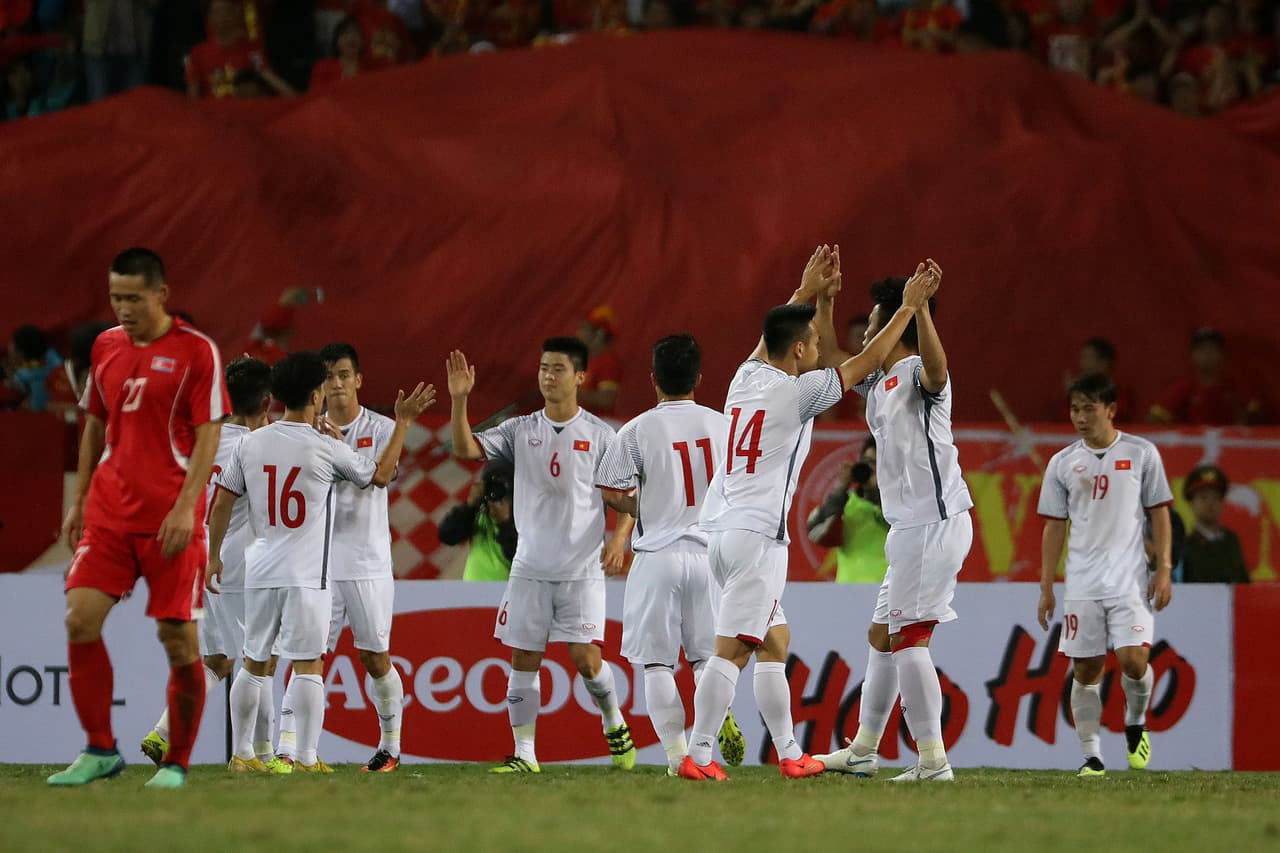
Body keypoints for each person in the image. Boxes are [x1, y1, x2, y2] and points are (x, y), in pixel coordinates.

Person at [679, 246, 939, 782]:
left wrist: (807, 291)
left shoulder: (743, 376)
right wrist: (908, 308)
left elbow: (775, 332)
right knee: (731, 650)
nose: (821, 347)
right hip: (757, 538)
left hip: (722, 529)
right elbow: (864, 363)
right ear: (797, 350)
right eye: (814, 342)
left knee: (775, 640)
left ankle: (789, 751)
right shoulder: (798, 394)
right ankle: (698, 755)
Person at [51, 248, 229, 789]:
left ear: (161, 295)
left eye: (133, 297)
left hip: (170, 522)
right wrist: (79, 500)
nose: (123, 308)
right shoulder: (106, 346)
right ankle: (100, 749)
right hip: (108, 514)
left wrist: (185, 507)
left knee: (179, 642)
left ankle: (174, 762)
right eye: (116, 297)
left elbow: (208, 434)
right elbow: (93, 425)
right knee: (79, 620)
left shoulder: (197, 353)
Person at [208, 352, 433, 773]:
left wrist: (213, 557)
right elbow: (380, 477)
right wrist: (403, 423)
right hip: (307, 574)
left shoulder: (250, 442)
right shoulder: (325, 446)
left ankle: (241, 756)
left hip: (259, 570)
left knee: (254, 661)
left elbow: (222, 503)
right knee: (308, 663)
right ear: (316, 394)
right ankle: (306, 757)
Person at [447, 338, 638, 774]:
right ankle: (525, 754)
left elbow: (625, 496)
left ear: (580, 377)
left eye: (558, 369)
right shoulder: (520, 430)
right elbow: (464, 450)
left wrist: (619, 539)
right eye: (543, 368)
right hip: (530, 567)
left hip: (581, 569)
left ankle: (614, 722)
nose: (548, 376)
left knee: (587, 661)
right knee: (523, 659)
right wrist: (460, 402)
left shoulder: (601, 435)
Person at [814, 262, 970, 783]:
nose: (867, 336)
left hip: (934, 521)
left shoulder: (921, 375)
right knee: (882, 634)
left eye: (876, 323)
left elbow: (940, 370)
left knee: (908, 638)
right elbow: (834, 359)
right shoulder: (877, 380)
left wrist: (920, 309)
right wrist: (827, 301)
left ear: (896, 326)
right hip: (909, 529)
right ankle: (863, 750)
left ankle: (932, 759)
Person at [594, 333, 747, 775]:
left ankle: (680, 758)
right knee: (707, 660)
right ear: (699, 377)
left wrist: (646, 506)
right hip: (711, 556)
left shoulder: (637, 429)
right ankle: (710, 739)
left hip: (658, 555)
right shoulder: (724, 426)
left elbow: (611, 489)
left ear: (653, 379)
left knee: (657, 663)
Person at [140, 357, 278, 770]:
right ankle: (258, 755)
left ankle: (161, 733)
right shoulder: (255, 448)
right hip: (236, 561)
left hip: (196, 559)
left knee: (218, 661)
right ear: (267, 401)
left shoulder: (200, 443)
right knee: (261, 659)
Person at [1035, 373, 1174, 777]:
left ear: (1110, 410)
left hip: (1130, 580)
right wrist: (1046, 586)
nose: (1080, 417)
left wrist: (1163, 568)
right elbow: (1054, 526)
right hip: (1082, 581)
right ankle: (1091, 756)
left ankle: (1135, 721)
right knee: (1087, 670)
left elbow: (1160, 512)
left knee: (1133, 661)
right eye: (1075, 408)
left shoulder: (1142, 453)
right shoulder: (1062, 463)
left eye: (1089, 408)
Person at [317, 342, 410, 772]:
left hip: (367, 561)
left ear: (358, 380)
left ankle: (389, 748)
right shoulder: (307, 429)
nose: (335, 384)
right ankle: (295, 751)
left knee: (374, 657)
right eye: (328, 377)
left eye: (342, 375)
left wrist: (342, 450)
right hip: (317, 563)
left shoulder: (385, 426)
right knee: (309, 657)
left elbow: (381, 476)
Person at [806, 436, 889, 583]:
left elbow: (906, 534)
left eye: (878, 464)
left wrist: (875, 494)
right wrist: (840, 489)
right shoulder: (845, 502)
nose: (872, 469)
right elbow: (816, 534)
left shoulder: (900, 506)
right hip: (848, 593)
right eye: (868, 462)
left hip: (888, 593)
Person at [185, 0, 295, 98]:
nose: (221, 18)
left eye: (227, 12)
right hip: (211, 117)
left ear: (237, 13)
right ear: (208, 18)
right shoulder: (198, 53)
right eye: (216, 13)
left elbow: (284, 91)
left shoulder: (252, 53)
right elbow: (192, 100)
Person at [1149, 328, 1260, 425]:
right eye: (1202, 350)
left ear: (1222, 354)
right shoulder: (1186, 387)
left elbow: (1254, 413)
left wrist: (1240, 426)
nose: (1208, 354)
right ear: (1192, 355)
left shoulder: (1233, 386)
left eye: (1212, 349)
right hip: (1195, 446)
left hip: (1228, 445)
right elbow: (1155, 416)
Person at [438, 460, 518, 581]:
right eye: (492, 486)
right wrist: (470, 506)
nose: (496, 492)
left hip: (505, 594)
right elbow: (447, 535)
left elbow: (522, 561)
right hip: (473, 593)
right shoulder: (480, 511)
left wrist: (505, 525)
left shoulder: (526, 518)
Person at [1180, 464, 1249, 584]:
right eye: (1203, 498)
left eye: (1216, 497)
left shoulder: (1231, 540)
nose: (1210, 503)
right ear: (1191, 503)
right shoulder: (1184, 545)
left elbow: (1243, 583)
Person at [577, 305, 622, 416]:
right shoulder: (586, 360)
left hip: (598, 425)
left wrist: (567, 392)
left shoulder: (608, 362)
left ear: (600, 334)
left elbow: (606, 399)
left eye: (584, 329)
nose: (578, 333)